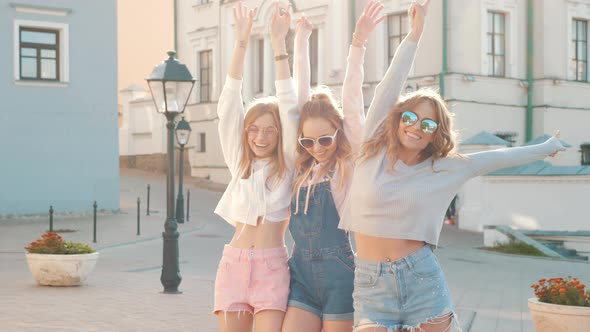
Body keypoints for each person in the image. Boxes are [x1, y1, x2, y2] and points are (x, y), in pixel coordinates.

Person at [339, 1, 566, 331]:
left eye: (428, 125)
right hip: (371, 283)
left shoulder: (444, 169)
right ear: (399, 118)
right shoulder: (372, 151)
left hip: (420, 279)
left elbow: (498, 158)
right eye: (411, 117)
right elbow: (390, 85)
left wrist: (547, 147)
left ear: (435, 135)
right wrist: (414, 35)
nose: (417, 127)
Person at [281, 2, 385, 332]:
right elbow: (296, 104)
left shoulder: (346, 165)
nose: (316, 149)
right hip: (299, 272)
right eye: (307, 142)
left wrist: (358, 44)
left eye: (324, 140)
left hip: (339, 272)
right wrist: (299, 39)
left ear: (337, 135)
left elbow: (352, 104)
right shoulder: (302, 167)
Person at [212, 2, 298, 331]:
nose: (260, 137)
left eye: (269, 130)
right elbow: (229, 104)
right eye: (254, 129)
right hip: (233, 264)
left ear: (280, 135)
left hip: (272, 268)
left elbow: (289, 105)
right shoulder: (241, 164)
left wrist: (279, 45)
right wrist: (241, 42)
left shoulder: (288, 165)